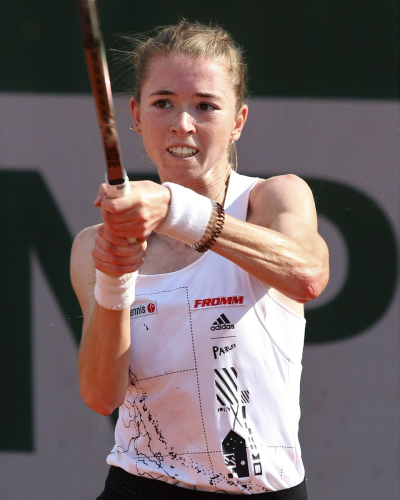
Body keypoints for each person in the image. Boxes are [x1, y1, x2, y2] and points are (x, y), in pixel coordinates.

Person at [71, 20, 329, 499]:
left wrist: (177, 210)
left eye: (206, 106)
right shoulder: (94, 246)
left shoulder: (275, 197)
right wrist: (115, 279)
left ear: (238, 121)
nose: (182, 124)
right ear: (135, 114)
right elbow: (101, 395)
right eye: (163, 103)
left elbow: (307, 276)